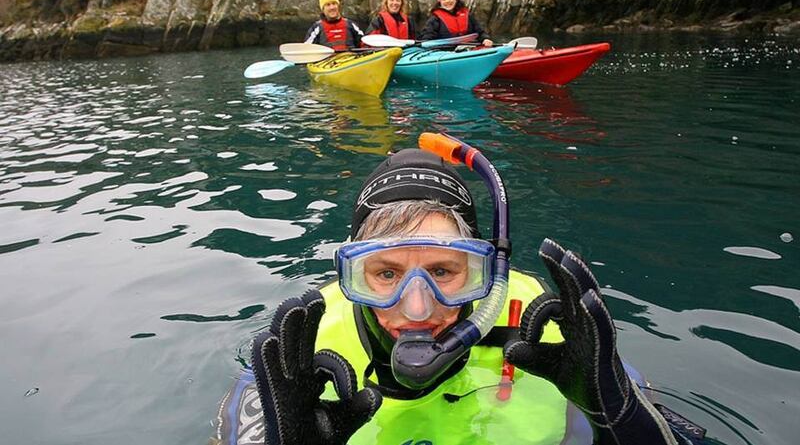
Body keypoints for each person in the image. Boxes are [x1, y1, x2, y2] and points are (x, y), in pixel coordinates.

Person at [216, 133, 709, 445]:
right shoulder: (302, 351)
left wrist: (619, 418)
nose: (416, 305)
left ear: (485, 273)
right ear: (352, 277)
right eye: (385, 274)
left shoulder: (542, 322)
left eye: (445, 271)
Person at [419, 0, 493, 47]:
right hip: (445, 51)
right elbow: (427, 37)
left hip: (468, 48)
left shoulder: (467, 15)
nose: (447, 1)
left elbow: (480, 31)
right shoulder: (435, 19)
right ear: (440, 2)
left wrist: (485, 39)